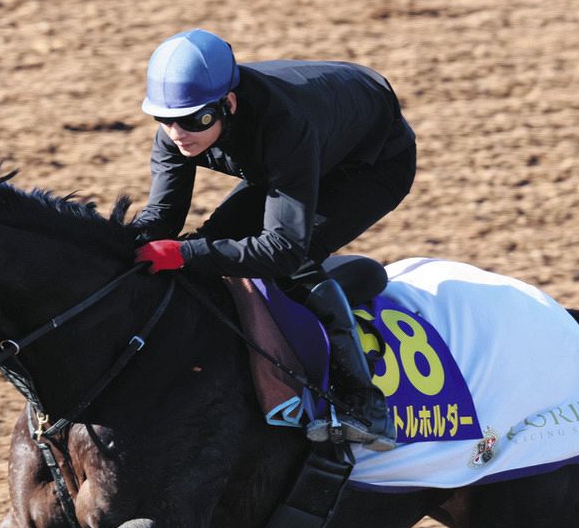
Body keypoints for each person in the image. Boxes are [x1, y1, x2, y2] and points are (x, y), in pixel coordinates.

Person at [132, 28, 416, 451]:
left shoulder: (284, 125)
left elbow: (281, 249)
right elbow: (162, 219)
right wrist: (114, 245)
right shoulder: (178, 128)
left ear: (227, 104)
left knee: (290, 262)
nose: (178, 133)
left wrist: (184, 254)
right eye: (165, 119)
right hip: (301, 151)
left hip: (369, 164)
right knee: (215, 244)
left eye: (194, 120)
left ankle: (364, 404)